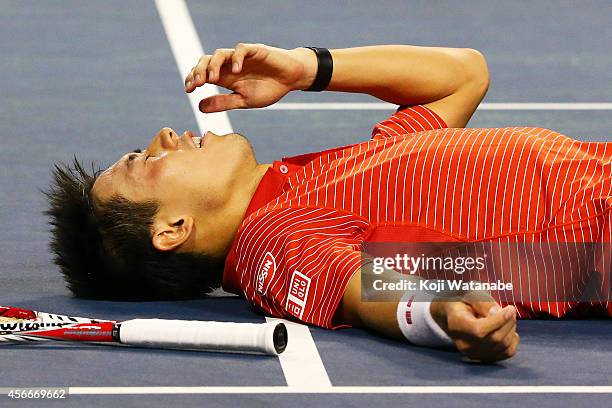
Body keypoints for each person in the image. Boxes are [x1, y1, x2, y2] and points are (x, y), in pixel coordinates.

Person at [46, 43, 611, 364]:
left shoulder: (307, 179)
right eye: (143, 162)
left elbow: (462, 76)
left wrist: (306, 69)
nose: (165, 135)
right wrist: (442, 315)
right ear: (172, 228)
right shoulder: (273, 240)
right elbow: (367, 290)